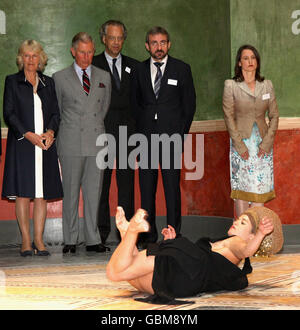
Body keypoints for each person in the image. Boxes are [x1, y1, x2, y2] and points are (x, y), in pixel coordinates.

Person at [106, 205, 283, 303]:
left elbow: (247, 250)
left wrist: (260, 234)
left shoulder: (238, 243)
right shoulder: (230, 258)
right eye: (238, 219)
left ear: (251, 236)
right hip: (184, 284)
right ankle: (127, 235)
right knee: (129, 275)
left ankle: (131, 233)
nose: (236, 222)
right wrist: (172, 242)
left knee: (116, 272)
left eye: (243, 222)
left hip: (184, 265)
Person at [132, 26, 196, 247]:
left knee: (171, 190)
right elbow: (135, 106)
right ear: (147, 45)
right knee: (147, 191)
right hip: (146, 140)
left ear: (168, 44)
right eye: (154, 43)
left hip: (172, 139)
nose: (158, 47)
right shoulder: (138, 71)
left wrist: (180, 135)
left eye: (162, 42)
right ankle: (148, 236)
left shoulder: (182, 69)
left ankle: (173, 235)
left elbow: (189, 106)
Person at [2, 39, 63, 257]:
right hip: (23, 145)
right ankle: (26, 241)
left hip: (44, 146)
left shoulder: (48, 83)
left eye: (34, 55)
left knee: (41, 194)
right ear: (21, 59)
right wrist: (28, 135)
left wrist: (50, 133)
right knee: (23, 194)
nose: (30, 60)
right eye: (26, 56)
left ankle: (39, 239)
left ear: (41, 59)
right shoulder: (12, 81)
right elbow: (9, 114)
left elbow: (56, 113)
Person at [53, 32, 111, 254]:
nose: (87, 57)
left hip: (96, 140)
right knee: (70, 191)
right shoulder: (59, 78)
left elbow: (103, 110)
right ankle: (70, 239)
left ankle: (93, 239)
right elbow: (57, 110)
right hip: (70, 141)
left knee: (94, 192)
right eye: (82, 52)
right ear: (73, 51)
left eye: (90, 52)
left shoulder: (104, 76)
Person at [92, 20, 139, 245]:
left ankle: (127, 233)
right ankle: (100, 234)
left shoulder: (134, 66)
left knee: (127, 184)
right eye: (112, 38)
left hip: (129, 135)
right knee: (102, 184)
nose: (116, 42)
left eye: (120, 38)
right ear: (104, 39)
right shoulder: (92, 64)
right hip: (102, 132)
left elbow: (139, 102)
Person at [223, 45, 279, 217]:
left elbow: (275, 115)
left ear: (257, 62)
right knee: (242, 190)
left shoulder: (267, 85)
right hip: (242, 145)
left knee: (259, 189)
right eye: (246, 58)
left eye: (253, 58)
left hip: (262, 146)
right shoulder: (231, 85)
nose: (250, 61)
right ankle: (243, 238)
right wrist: (239, 145)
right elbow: (228, 116)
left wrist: (267, 143)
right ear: (239, 63)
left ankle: (257, 237)